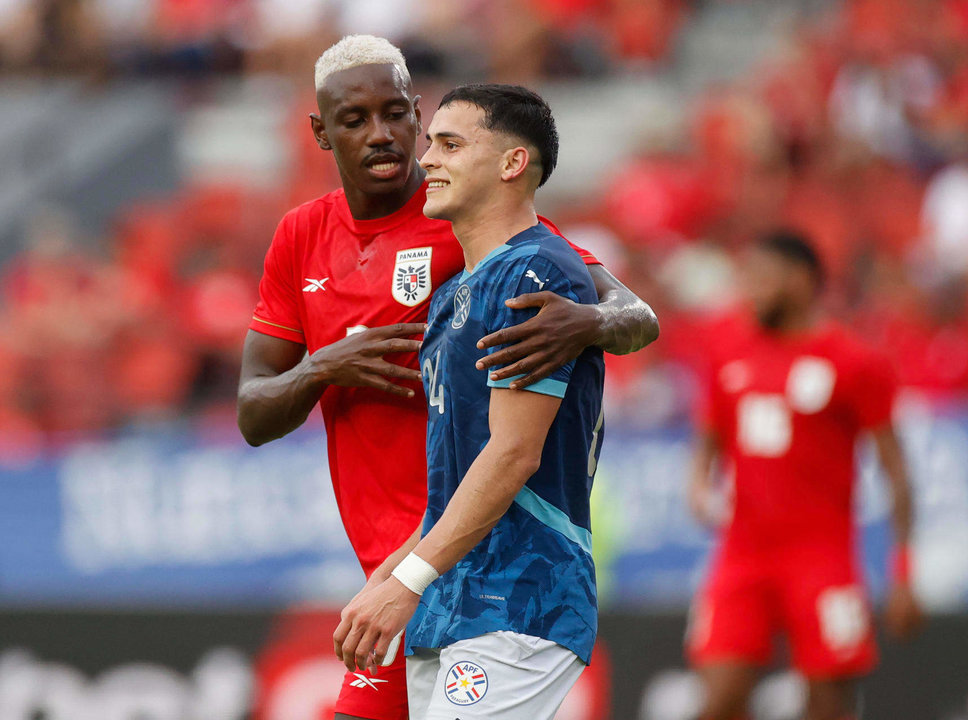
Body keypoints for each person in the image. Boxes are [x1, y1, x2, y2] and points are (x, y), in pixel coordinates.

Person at [237, 36, 657, 720]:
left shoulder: (475, 229)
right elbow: (253, 413)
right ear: (321, 132)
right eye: (355, 120)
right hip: (402, 565)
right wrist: (323, 366)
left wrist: (584, 324)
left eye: (398, 115)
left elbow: (631, 312)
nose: (386, 136)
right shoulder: (302, 237)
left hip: (465, 559)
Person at [332, 83, 604, 720]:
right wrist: (388, 578)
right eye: (431, 144)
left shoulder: (536, 271)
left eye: (450, 144)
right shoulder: (453, 295)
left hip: (521, 597)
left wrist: (405, 581)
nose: (426, 159)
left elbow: (513, 455)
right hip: (455, 603)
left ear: (513, 164)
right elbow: (454, 482)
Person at [686, 230, 923, 720]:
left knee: (829, 705)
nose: (751, 289)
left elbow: (896, 469)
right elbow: (709, 435)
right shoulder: (728, 347)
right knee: (720, 699)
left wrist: (902, 572)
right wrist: (698, 484)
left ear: (801, 280)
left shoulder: (854, 361)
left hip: (821, 556)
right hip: (742, 555)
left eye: (763, 277)